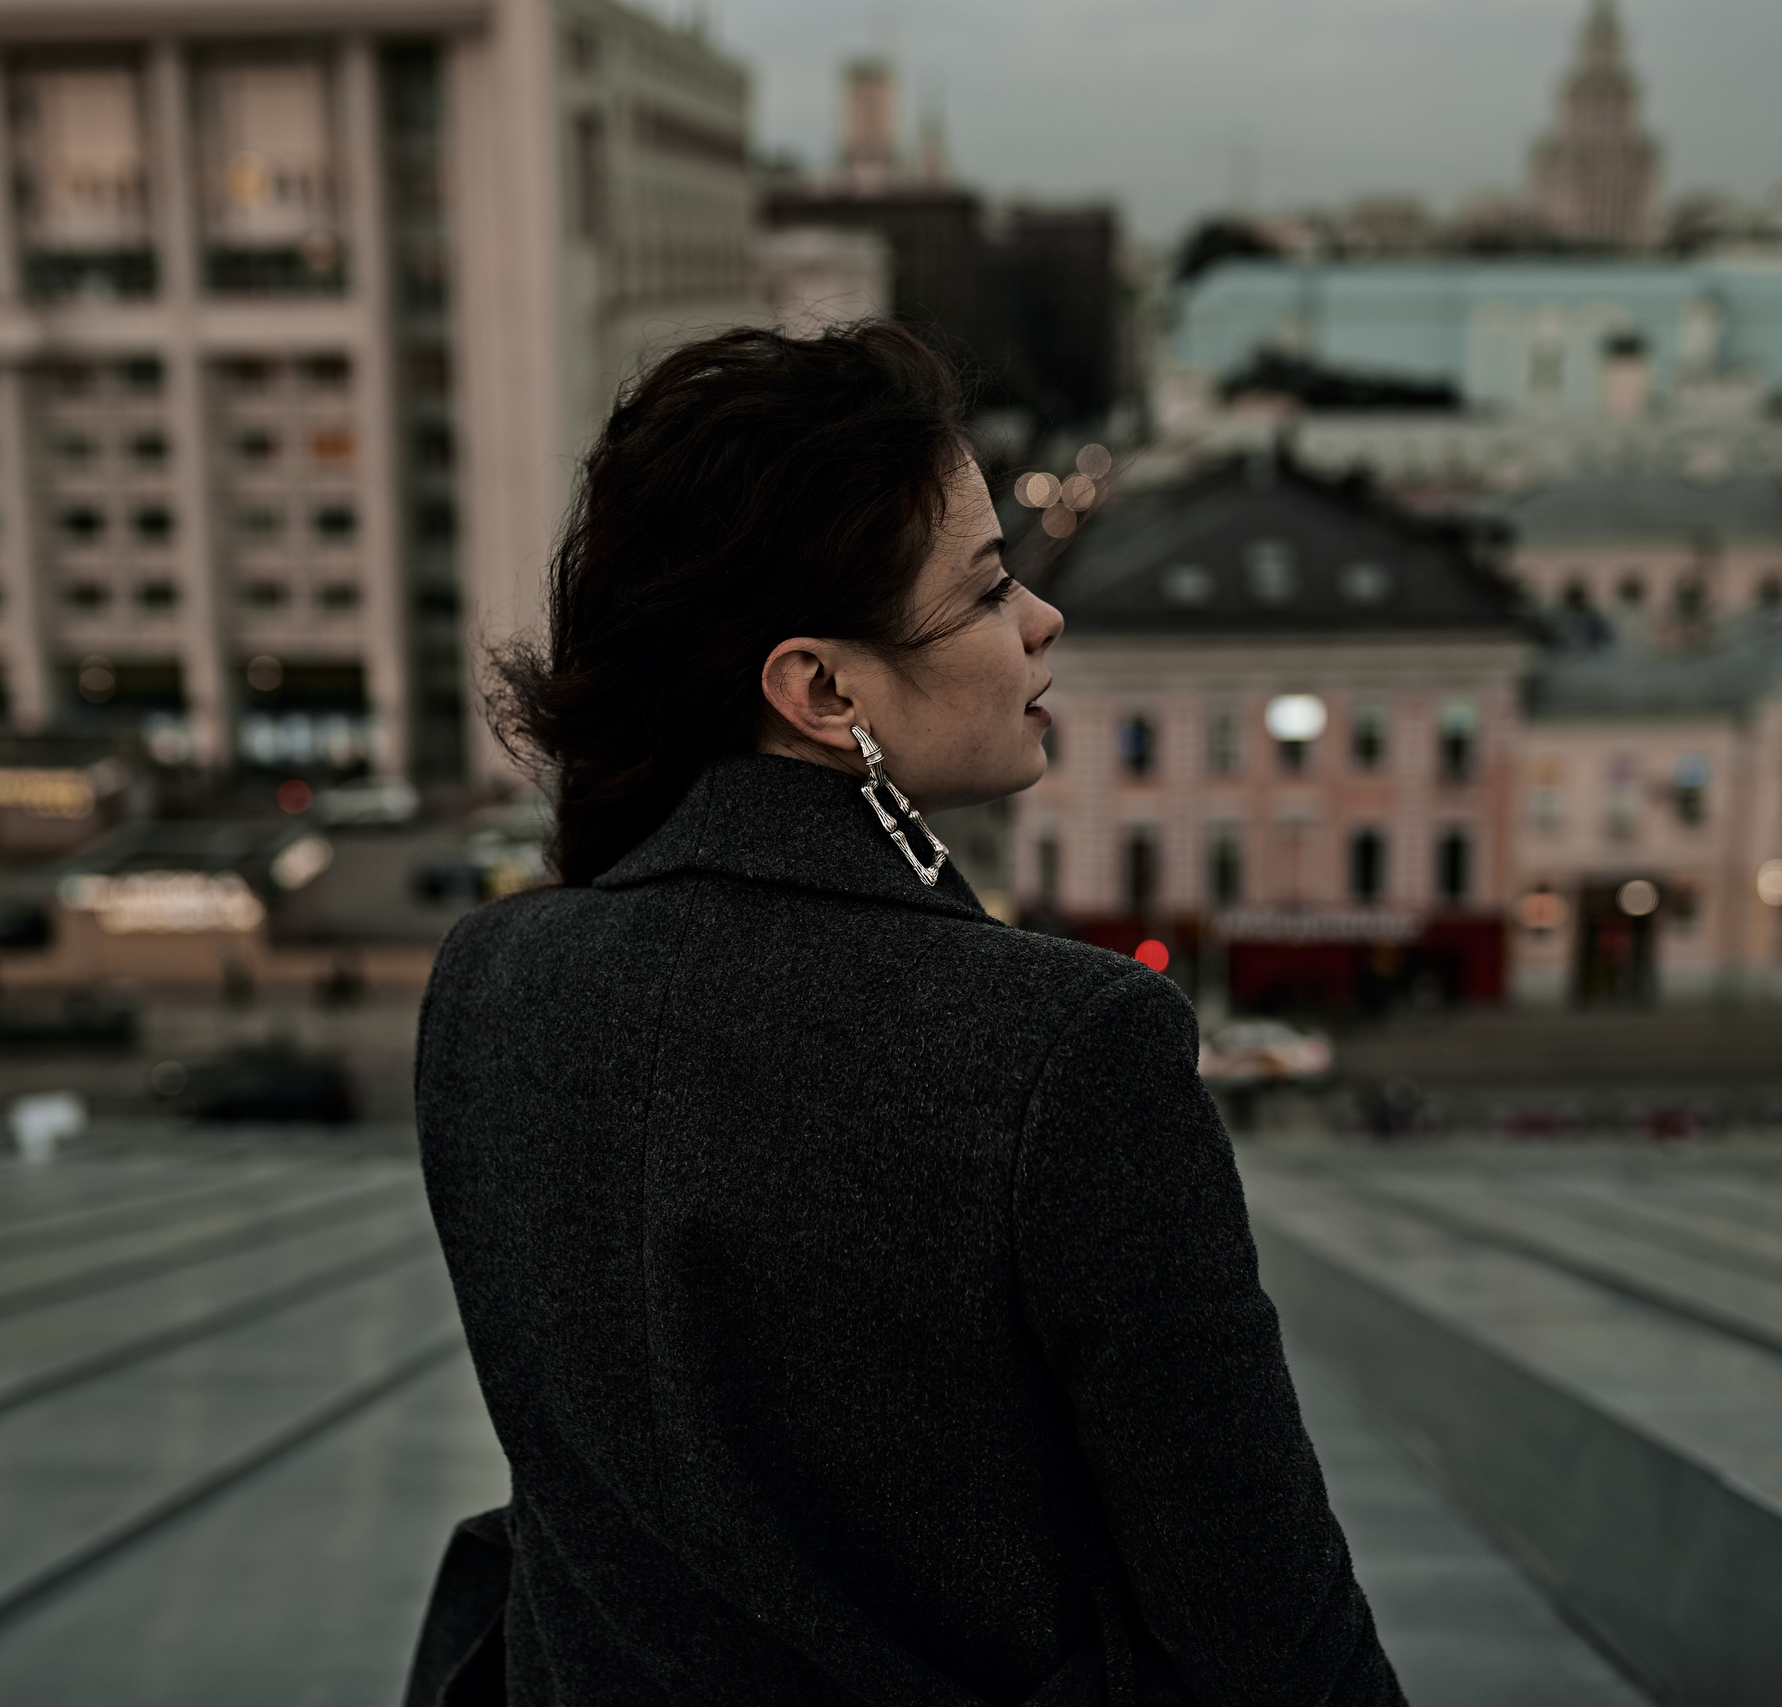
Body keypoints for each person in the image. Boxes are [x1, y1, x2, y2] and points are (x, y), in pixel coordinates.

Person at [410, 322, 1402, 1707]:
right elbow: (1267, 1626)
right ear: (823, 690)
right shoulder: (1070, 1045)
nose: (1042, 620)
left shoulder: (489, 985)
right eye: (992, 590)